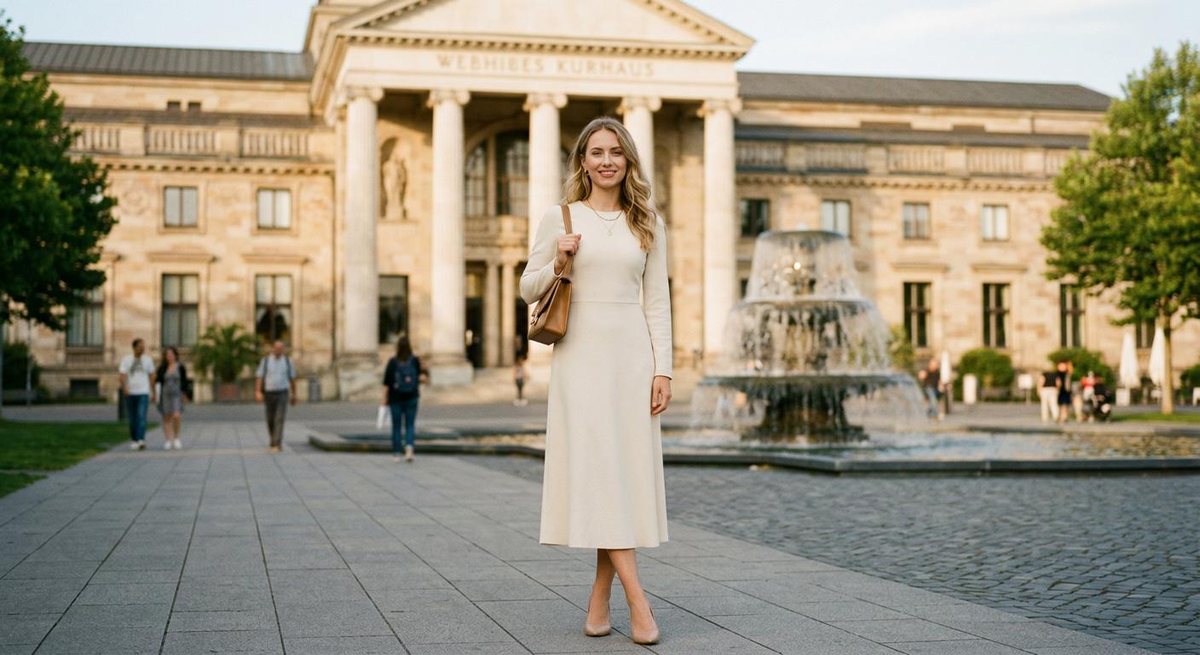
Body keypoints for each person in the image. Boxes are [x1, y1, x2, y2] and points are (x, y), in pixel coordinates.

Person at [520, 117, 671, 645]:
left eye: (616, 152)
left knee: (619, 477)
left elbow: (657, 302)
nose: (606, 161)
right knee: (604, 475)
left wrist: (663, 368)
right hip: (580, 359)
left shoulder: (647, 221)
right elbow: (526, 287)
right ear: (582, 161)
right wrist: (558, 257)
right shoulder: (560, 217)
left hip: (631, 359)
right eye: (596, 152)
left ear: (628, 160)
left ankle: (598, 604)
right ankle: (639, 603)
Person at [380, 336, 427, 463]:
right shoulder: (415, 361)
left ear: (397, 347)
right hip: (412, 396)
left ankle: (396, 453)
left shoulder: (393, 362)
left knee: (396, 426)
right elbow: (423, 377)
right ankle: (409, 450)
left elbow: (386, 382)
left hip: (395, 398)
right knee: (410, 425)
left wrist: (384, 398)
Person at [255, 340, 297, 452]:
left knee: (279, 418)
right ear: (273, 348)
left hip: (283, 392)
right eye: (277, 348)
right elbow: (260, 376)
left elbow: (292, 378)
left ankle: (276, 443)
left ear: (283, 349)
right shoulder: (266, 361)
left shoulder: (288, 361)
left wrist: (294, 394)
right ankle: (273, 438)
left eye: (281, 348)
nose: (279, 350)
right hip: (269, 393)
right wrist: (258, 391)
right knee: (270, 419)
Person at [118, 338, 156, 450]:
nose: (142, 349)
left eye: (143, 347)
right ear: (134, 347)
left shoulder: (148, 360)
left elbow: (152, 376)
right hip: (130, 392)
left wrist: (154, 392)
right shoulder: (126, 360)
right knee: (132, 418)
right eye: (140, 347)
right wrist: (125, 388)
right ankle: (134, 439)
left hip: (143, 392)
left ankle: (141, 439)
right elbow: (122, 375)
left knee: (141, 416)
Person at [155, 347, 191, 449]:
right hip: (165, 394)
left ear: (175, 355)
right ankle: (168, 439)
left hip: (177, 394)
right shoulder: (162, 368)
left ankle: (176, 438)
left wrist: (185, 394)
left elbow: (185, 381)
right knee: (166, 417)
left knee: (176, 416)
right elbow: (158, 380)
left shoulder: (180, 367)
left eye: (171, 354)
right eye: (167, 354)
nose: (169, 356)